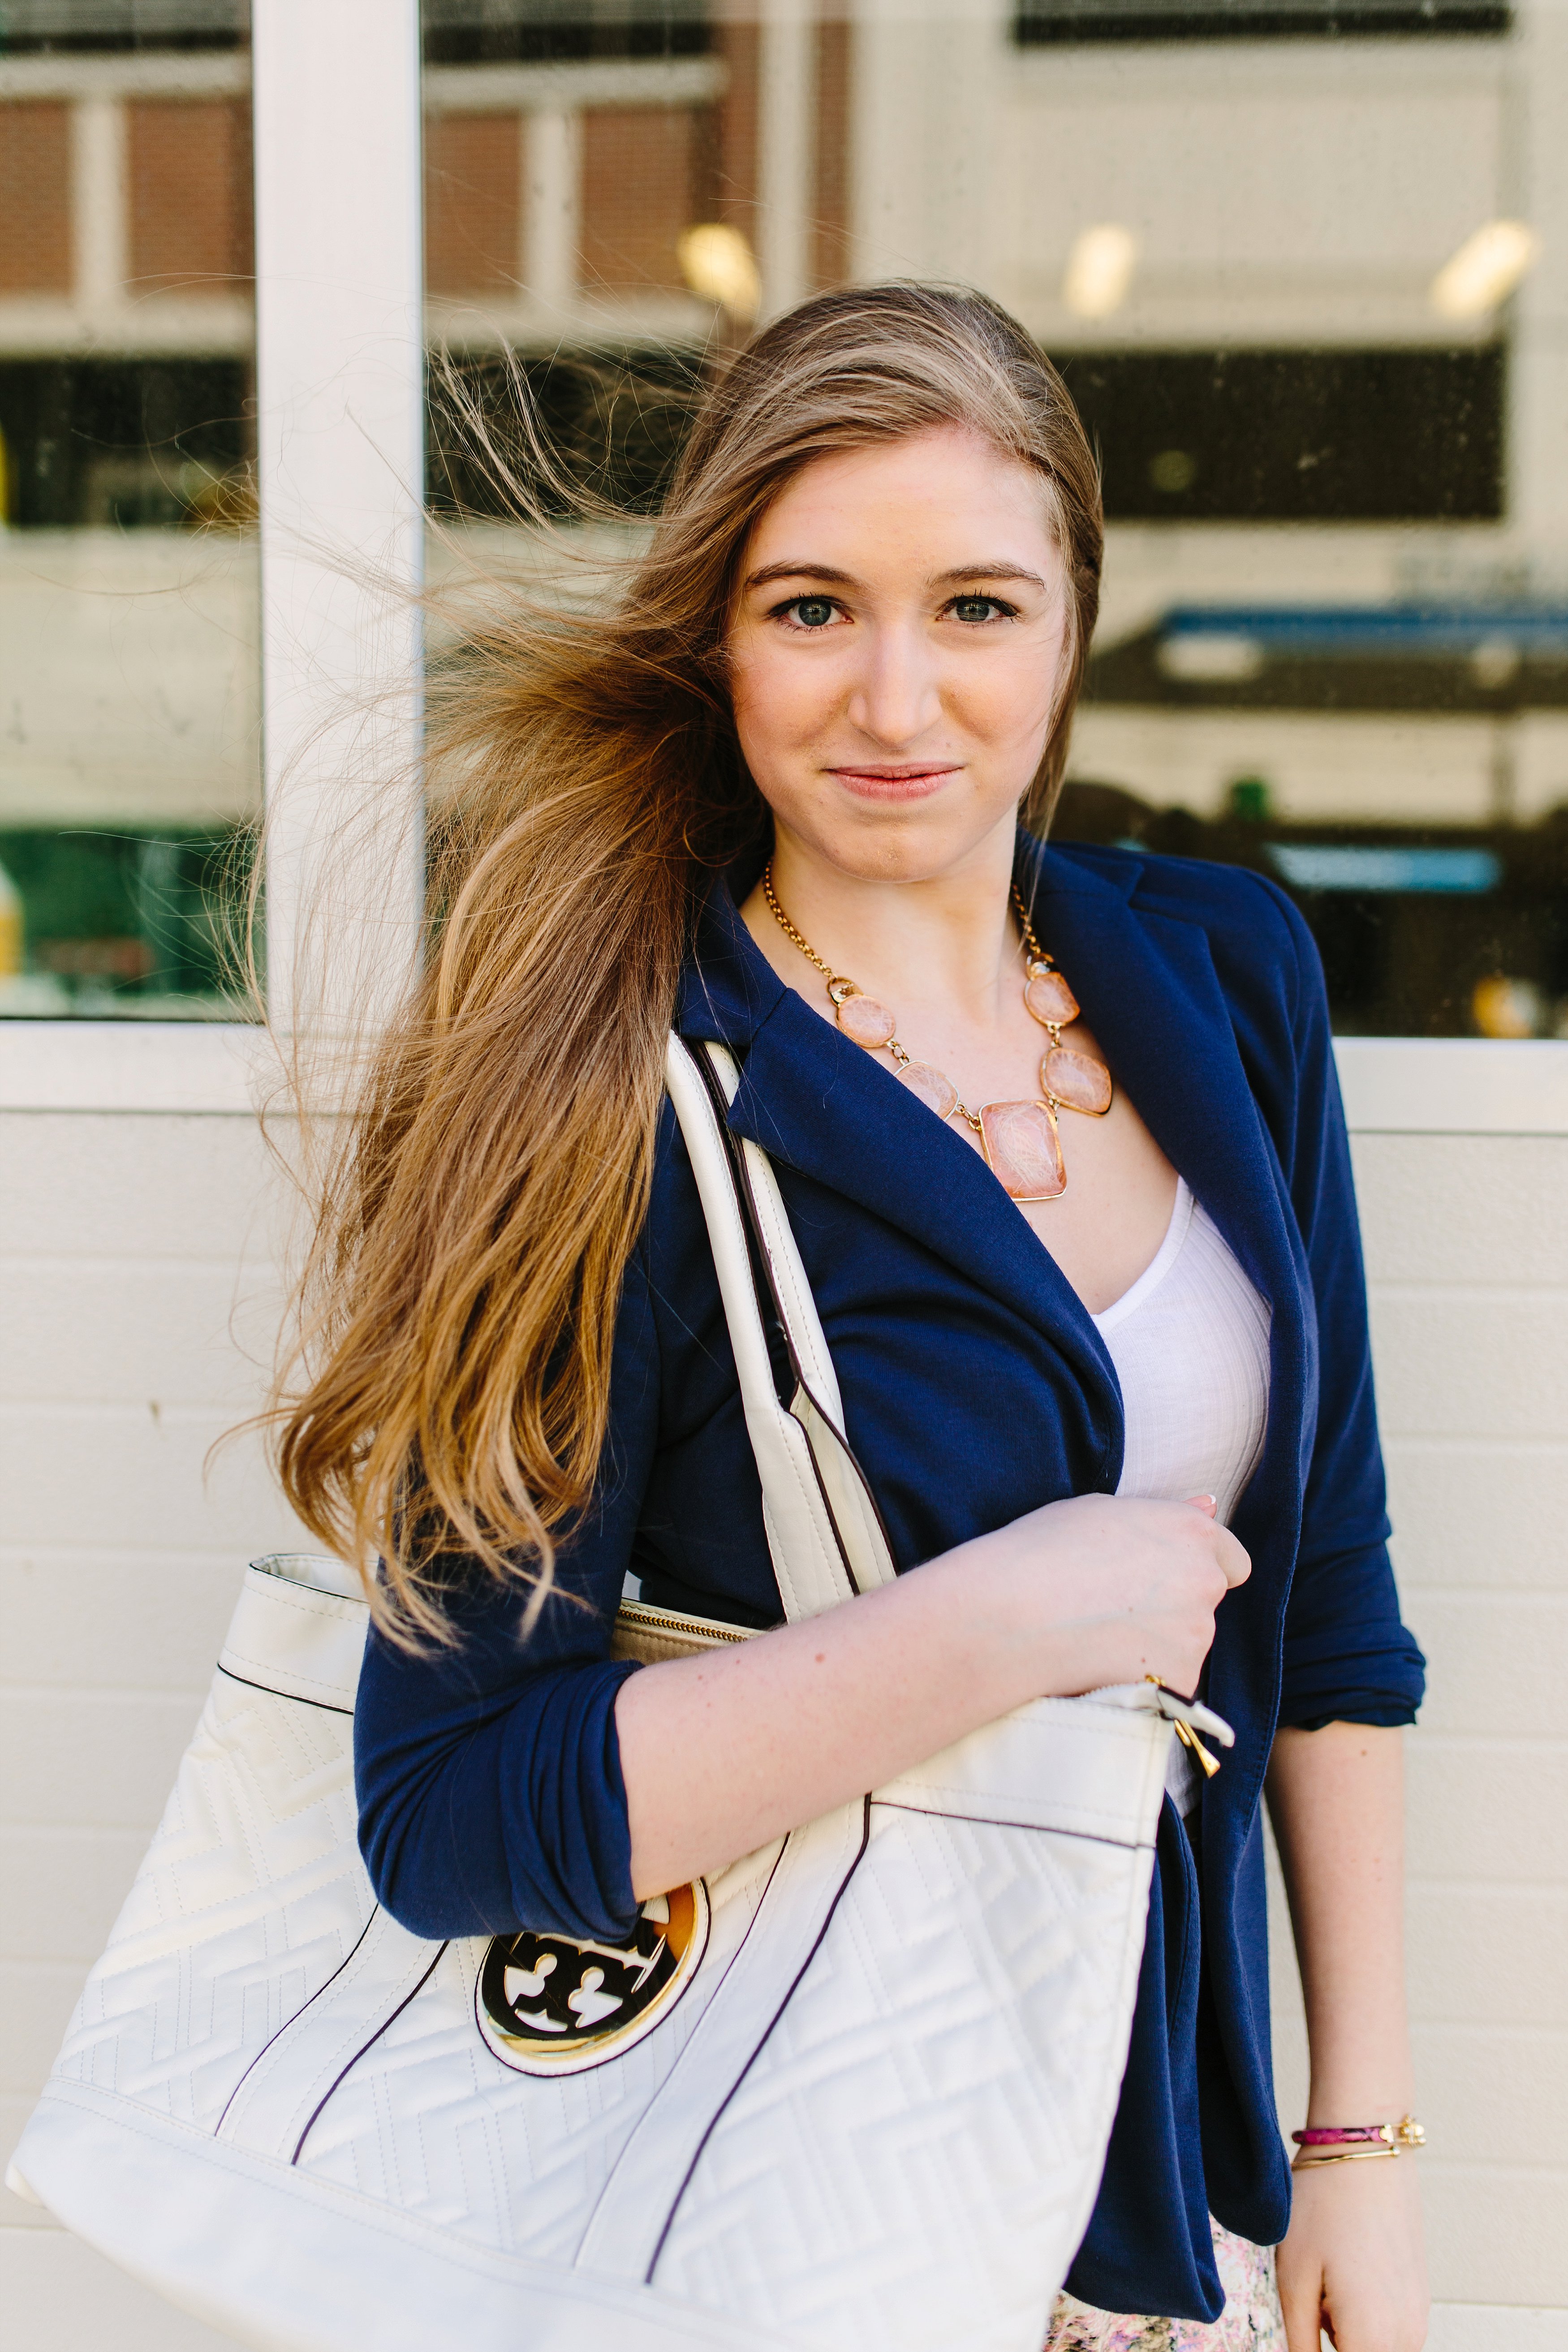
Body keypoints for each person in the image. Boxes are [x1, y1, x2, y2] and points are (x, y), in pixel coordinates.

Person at [277, 284, 1428, 2351]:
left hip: (1150, 2209)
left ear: (1073, 624)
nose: (894, 697)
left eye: (973, 606)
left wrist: (1353, 2141)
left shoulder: (1224, 978)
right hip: (791, 2214)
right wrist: (1000, 1622)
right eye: (812, 607)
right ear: (717, 635)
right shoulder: (604, 1083)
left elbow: (1325, 1609)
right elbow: (445, 1811)